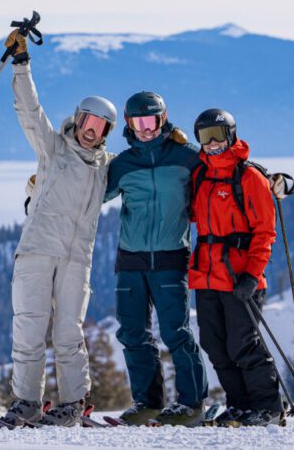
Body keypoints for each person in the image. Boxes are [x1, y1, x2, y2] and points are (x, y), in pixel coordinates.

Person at [0, 29, 117, 428]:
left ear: (106, 133)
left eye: (101, 126)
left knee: (69, 332)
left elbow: (146, 161)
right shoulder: (53, 148)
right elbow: (29, 111)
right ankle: (27, 402)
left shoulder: (105, 166)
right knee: (29, 327)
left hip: (76, 259)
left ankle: (72, 404)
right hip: (37, 250)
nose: (91, 129)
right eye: (88, 120)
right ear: (77, 118)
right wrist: (21, 64)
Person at [104, 91, 208, 426]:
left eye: (152, 121)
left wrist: (270, 180)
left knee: (176, 331)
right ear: (129, 124)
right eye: (139, 122)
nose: (146, 129)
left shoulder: (186, 156)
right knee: (133, 332)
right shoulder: (121, 164)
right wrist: (44, 187)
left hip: (170, 257)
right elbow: (88, 193)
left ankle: (192, 404)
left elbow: (223, 171)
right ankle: (147, 404)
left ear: (163, 119)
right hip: (131, 259)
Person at [188, 108, 283, 427]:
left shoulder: (248, 176)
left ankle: (267, 405)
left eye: (217, 136)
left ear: (231, 135)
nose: (212, 144)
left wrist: (252, 275)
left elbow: (265, 232)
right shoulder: (200, 175)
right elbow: (191, 213)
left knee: (243, 343)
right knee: (215, 345)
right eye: (205, 137)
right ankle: (240, 405)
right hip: (206, 275)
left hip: (239, 275)